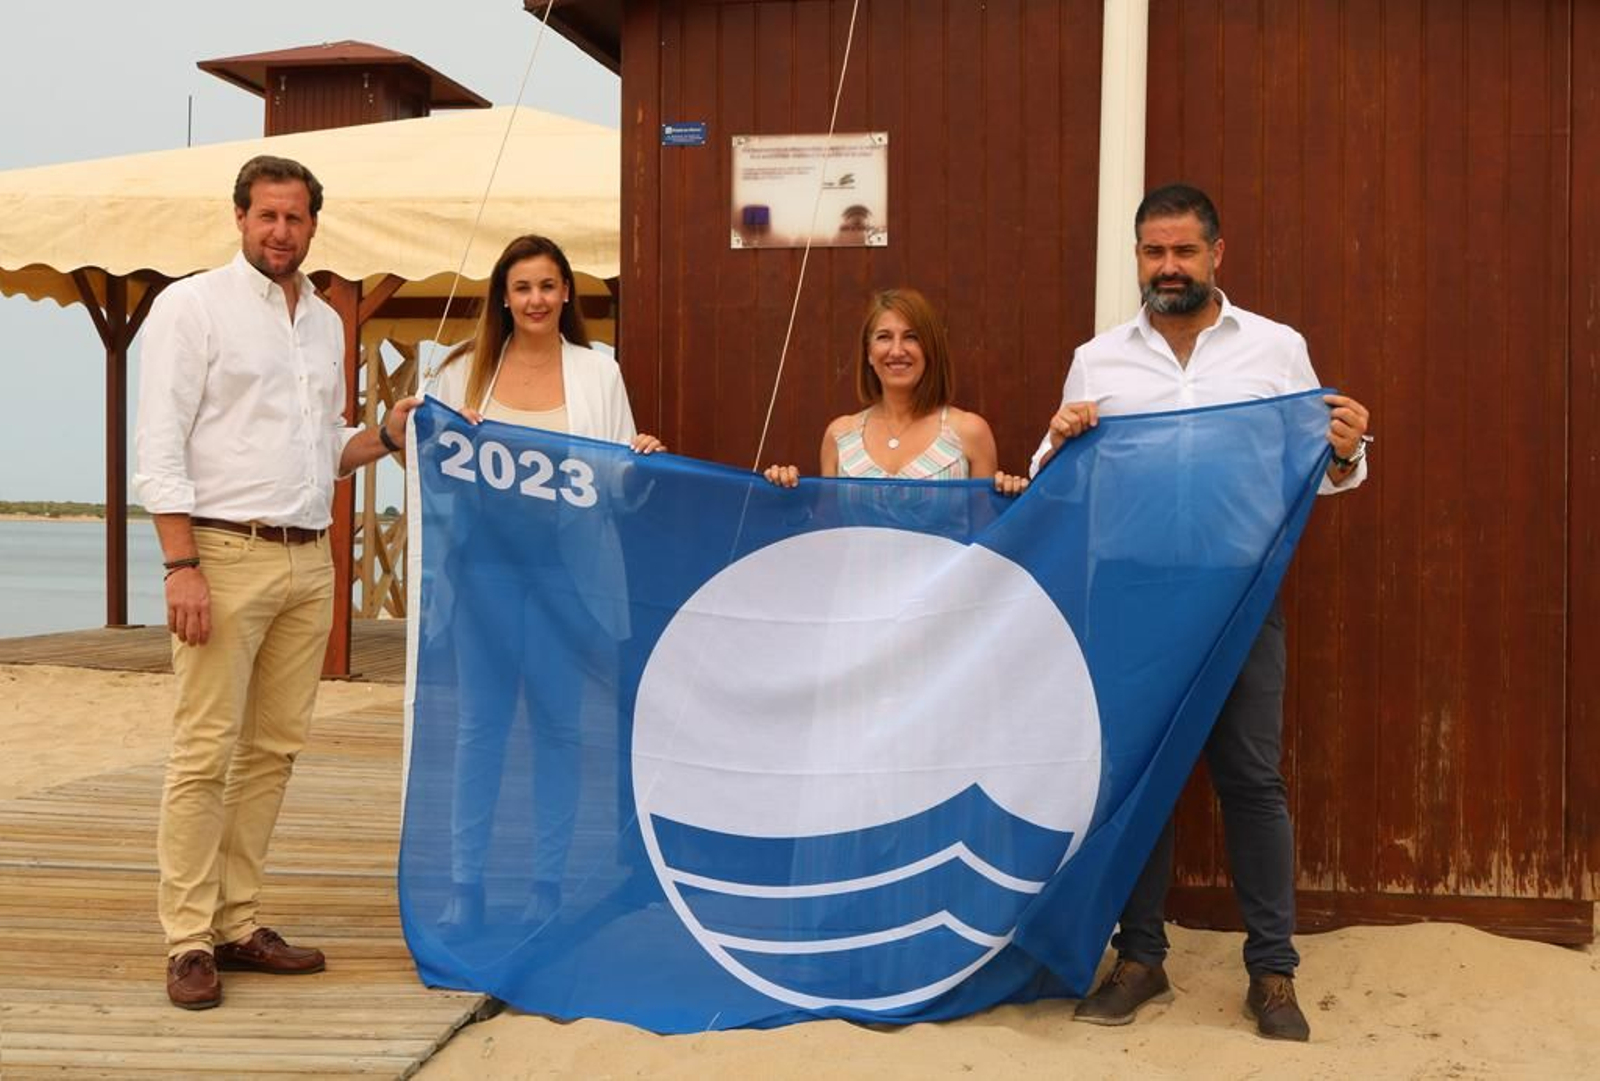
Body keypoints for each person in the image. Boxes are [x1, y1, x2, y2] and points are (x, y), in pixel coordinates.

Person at [1034, 183, 1370, 1042]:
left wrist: (1346, 450)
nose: (1169, 267)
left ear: (1218, 253)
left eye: (1185, 250)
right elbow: (1057, 478)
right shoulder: (1098, 358)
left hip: (1240, 591)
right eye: (1154, 252)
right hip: (1135, 597)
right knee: (1140, 777)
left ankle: (1273, 972)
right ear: (1137, 257)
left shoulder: (1275, 347)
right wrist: (1059, 438)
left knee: (1251, 780)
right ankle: (1140, 959)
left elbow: (1321, 470)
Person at [133, 155, 421, 1010]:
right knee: (203, 749)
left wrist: (388, 431)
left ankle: (238, 919)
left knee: (273, 751)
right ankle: (188, 937)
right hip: (220, 554)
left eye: (295, 219)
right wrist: (180, 563)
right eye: (266, 216)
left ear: (312, 226)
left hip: (309, 559)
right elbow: (159, 447)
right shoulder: (190, 307)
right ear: (238, 217)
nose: (280, 232)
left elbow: (324, 446)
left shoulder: (328, 322)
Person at [425, 234, 662, 941]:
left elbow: (615, 486)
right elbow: (431, 474)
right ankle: (466, 886)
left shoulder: (598, 372)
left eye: (548, 286)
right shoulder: (460, 372)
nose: (536, 299)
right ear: (504, 295)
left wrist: (641, 463)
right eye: (523, 287)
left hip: (569, 579)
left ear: (567, 295)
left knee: (560, 729)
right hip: (483, 576)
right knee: (480, 731)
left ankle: (545, 884)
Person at [764, 287, 1027, 493]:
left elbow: (984, 541)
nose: (897, 350)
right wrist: (786, 491)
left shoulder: (969, 432)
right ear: (869, 353)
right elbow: (829, 532)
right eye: (884, 337)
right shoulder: (839, 435)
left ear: (930, 349)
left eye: (912, 337)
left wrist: (1011, 494)